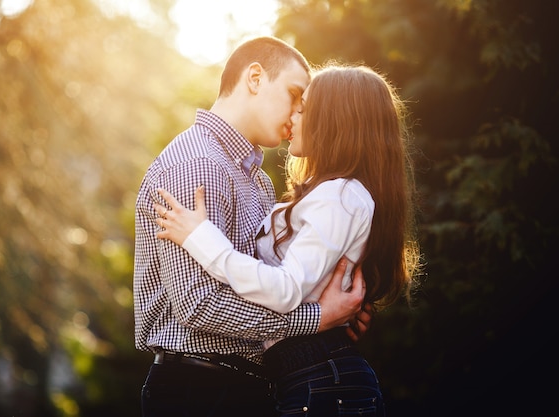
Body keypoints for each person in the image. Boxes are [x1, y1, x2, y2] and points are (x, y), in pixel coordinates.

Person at [154, 63, 421, 416]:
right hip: (308, 378)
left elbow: (286, 288)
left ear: (335, 120)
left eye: (304, 107)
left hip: (321, 381)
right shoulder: (328, 195)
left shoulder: (340, 197)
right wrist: (329, 315)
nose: (293, 115)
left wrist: (201, 239)